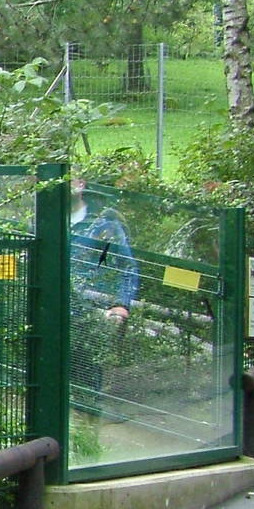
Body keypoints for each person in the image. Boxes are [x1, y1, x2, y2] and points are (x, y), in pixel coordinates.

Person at [69, 176, 139, 416]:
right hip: (50, 309)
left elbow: (126, 266)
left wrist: (121, 303)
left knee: (88, 379)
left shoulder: (104, 225)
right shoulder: (42, 221)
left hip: (89, 312)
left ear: (81, 184)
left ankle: (87, 436)